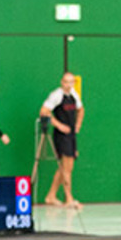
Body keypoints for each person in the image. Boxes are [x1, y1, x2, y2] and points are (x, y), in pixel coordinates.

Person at [41, 72, 84, 208]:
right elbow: (44, 111)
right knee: (66, 168)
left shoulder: (74, 95)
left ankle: (51, 196)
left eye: (71, 82)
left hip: (71, 135)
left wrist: (78, 125)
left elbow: (81, 110)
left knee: (67, 167)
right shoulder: (56, 95)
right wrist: (58, 125)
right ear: (61, 82)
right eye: (66, 82)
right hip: (61, 135)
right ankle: (69, 198)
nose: (68, 85)